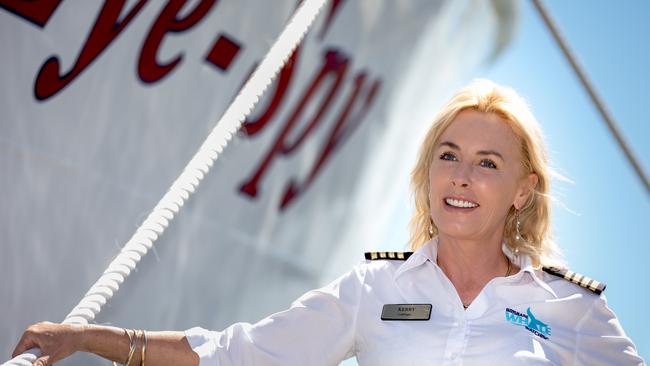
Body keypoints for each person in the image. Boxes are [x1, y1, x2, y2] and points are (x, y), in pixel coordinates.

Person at [11, 80, 644, 365]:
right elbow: (238, 354)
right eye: (447, 157)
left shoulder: (570, 308)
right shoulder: (374, 291)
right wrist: (86, 338)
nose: (461, 177)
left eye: (487, 164)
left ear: (522, 191)